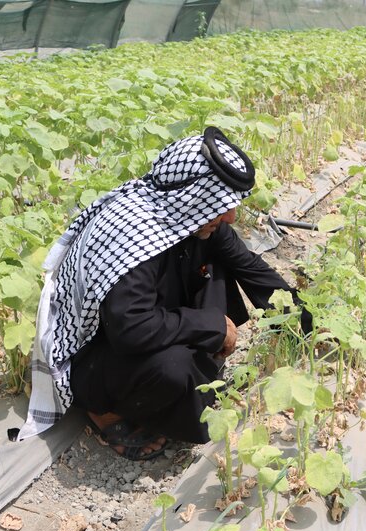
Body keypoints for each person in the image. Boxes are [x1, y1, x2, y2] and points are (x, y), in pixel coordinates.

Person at [17, 127, 298, 460]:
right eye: (221, 205)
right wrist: (210, 324)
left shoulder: (192, 221)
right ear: (194, 196)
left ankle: (190, 381)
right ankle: (103, 411)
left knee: (219, 269)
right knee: (174, 367)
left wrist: (305, 325)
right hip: (97, 357)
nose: (230, 216)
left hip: (147, 326)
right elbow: (131, 329)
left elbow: (251, 269)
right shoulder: (134, 232)